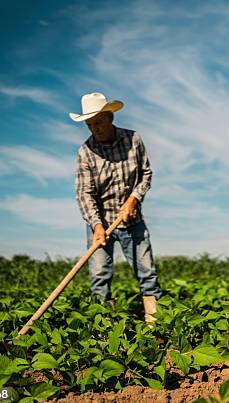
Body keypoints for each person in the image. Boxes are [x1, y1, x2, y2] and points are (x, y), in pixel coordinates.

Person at [70, 92, 163, 323]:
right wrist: (96, 225)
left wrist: (134, 198)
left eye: (98, 123)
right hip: (100, 224)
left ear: (110, 117)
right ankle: (104, 327)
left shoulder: (133, 140)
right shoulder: (85, 152)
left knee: (146, 271)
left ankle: (156, 323)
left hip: (133, 222)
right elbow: (85, 193)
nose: (95, 129)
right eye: (90, 125)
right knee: (99, 275)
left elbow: (146, 174)